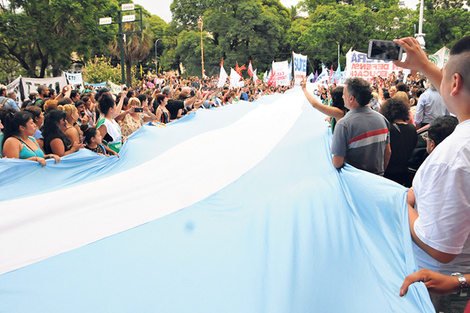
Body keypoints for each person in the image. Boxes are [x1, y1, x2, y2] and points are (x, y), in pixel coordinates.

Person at [395, 36, 470, 312]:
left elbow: (441, 249)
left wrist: (403, 203)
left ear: (455, 83)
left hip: (445, 287)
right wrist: (424, 64)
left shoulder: (455, 156)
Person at [330, 77, 391, 176]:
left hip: (355, 181)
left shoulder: (343, 125)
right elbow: (387, 152)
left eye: (344, 94)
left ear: (351, 98)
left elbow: (337, 162)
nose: (342, 97)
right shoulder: (382, 120)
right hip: (378, 178)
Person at [379, 98, 417, 186]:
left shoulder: (388, 129)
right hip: (405, 169)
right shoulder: (412, 129)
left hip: (389, 170)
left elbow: (387, 152)